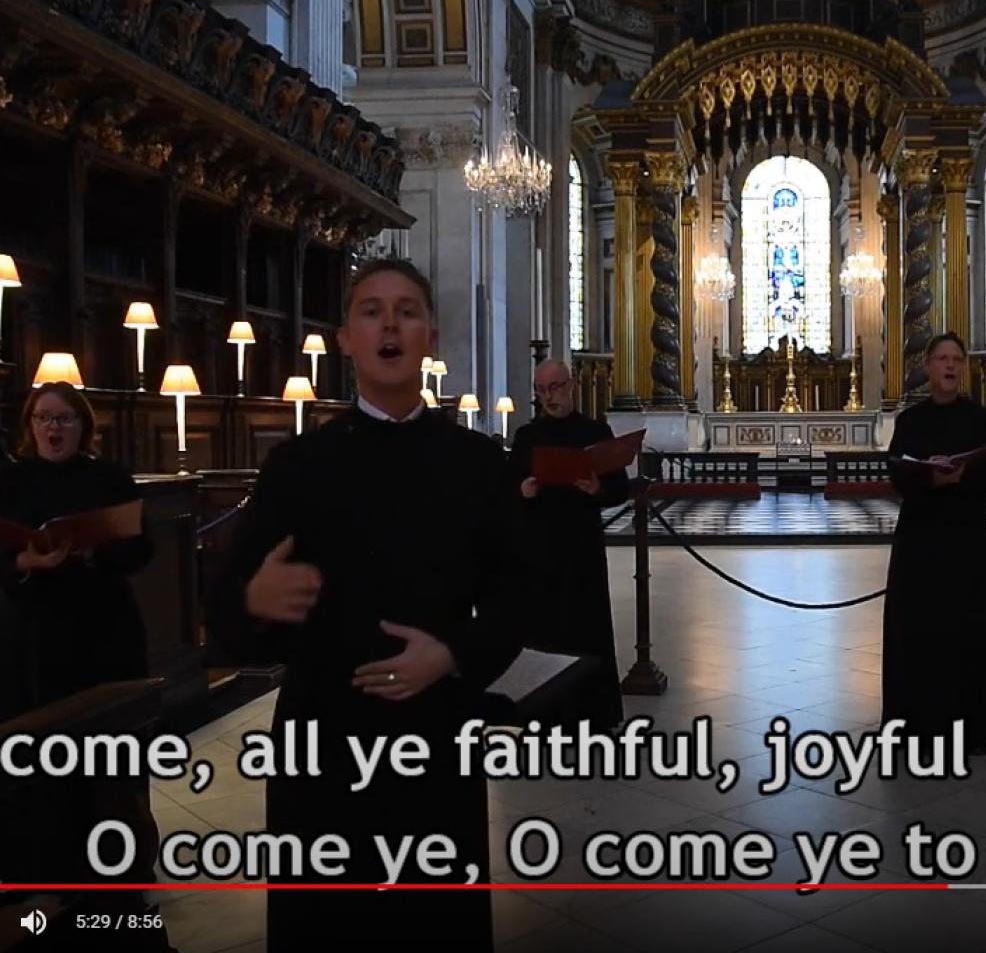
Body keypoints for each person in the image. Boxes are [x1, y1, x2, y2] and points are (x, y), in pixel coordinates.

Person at [211, 258, 523, 951]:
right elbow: (234, 628)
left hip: (435, 737)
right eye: (371, 311)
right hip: (322, 738)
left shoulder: (479, 464)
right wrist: (254, 599)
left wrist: (452, 654)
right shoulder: (296, 466)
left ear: (430, 337)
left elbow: (515, 601)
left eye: (406, 310)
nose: (389, 324)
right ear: (346, 338)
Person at [0, 381, 173, 951]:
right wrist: (25, 560)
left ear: (83, 427)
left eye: (65, 420)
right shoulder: (13, 482)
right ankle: (54, 884)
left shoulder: (108, 479)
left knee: (112, 765)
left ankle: (121, 881)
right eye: (44, 419)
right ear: (31, 427)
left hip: (104, 637)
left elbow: (140, 550)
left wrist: (97, 547)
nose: (54, 429)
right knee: (47, 767)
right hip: (35, 644)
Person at [883, 333, 986, 752]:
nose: (950, 365)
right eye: (942, 358)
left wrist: (962, 476)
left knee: (968, 627)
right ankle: (917, 725)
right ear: (928, 365)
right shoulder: (911, 421)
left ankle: (971, 727)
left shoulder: (980, 418)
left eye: (957, 358)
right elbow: (898, 474)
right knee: (920, 628)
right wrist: (929, 477)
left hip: (968, 537)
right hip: (921, 537)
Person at [509, 359, 630, 729]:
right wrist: (521, 490)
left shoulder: (595, 431)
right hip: (540, 547)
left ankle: (592, 715)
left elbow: (620, 488)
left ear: (573, 385)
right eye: (542, 390)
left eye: (556, 387)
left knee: (586, 627)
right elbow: (505, 489)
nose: (549, 397)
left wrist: (599, 489)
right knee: (543, 629)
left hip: (581, 546)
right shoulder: (527, 437)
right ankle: (542, 716)